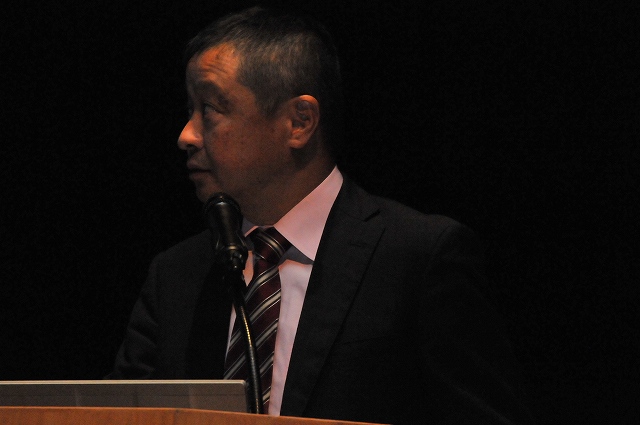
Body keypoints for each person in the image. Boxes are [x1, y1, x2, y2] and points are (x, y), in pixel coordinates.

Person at [109, 6, 533, 425]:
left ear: (299, 122)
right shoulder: (176, 276)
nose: (186, 135)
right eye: (189, 109)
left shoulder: (417, 258)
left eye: (210, 110)